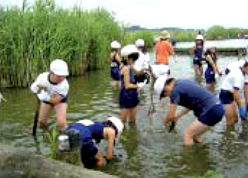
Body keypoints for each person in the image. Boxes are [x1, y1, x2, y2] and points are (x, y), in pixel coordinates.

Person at [157, 78, 224, 146]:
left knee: (187, 135)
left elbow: (170, 116)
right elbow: (191, 104)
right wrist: (178, 117)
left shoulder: (174, 91)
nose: (166, 95)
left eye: (164, 93)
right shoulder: (183, 82)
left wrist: (164, 123)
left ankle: (188, 155)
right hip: (218, 107)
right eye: (163, 95)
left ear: (166, 86)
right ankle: (201, 152)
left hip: (211, 110)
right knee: (195, 136)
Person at [58, 117, 123, 168]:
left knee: (79, 155)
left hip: (69, 130)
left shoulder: (96, 124)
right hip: (83, 135)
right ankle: (98, 173)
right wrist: (106, 160)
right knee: (99, 157)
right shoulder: (112, 131)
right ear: (116, 130)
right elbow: (110, 156)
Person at [30, 59, 69, 132]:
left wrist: (45, 98)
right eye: (59, 76)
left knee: (61, 123)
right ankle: (47, 137)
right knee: (42, 123)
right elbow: (37, 87)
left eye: (64, 76)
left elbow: (56, 101)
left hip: (59, 99)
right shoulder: (42, 77)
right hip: (46, 95)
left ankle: (64, 137)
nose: (62, 78)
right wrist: (34, 89)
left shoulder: (65, 85)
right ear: (51, 72)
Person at [119, 44, 144, 124]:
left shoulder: (130, 66)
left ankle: (132, 135)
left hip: (133, 94)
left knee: (133, 121)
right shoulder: (125, 68)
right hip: (126, 96)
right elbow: (127, 85)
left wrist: (144, 71)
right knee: (123, 122)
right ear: (126, 58)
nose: (134, 61)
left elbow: (137, 73)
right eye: (133, 59)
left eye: (134, 59)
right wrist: (138, 86)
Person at [219, 62, 248, 129]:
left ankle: (233, 135)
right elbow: (236, 94)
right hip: (225, 94)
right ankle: (228, 137)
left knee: (235, 119)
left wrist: (246, 103)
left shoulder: (241, 70)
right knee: (230, 122)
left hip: (231, 93)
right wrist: (240, 107)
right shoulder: (239, 76)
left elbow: (245, 89)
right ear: (245, 67)